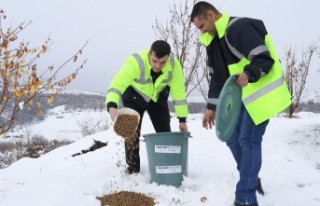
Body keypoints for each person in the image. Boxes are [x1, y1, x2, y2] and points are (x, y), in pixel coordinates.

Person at [190, 2, 291, 206]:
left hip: (260, 96)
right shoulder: (212, 42)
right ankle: (251, 178)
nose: (202, 31)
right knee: (231, 138)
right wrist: (212, 107)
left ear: (210, 14)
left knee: (248, 140)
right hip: (239, 99)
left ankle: (244, 197)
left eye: (201, 26)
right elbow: (217, 78)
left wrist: (249, 73)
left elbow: (264, 59)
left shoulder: (238, 27)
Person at [105, 40, 189, 174]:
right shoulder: (135, 62)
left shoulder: (174, 65)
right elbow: (117, 84)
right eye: (155, 61)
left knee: (164, 132)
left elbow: (179, 93)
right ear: (150, 54)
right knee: (131, 133)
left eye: (162, 62)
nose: (158, 66)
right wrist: (112, 105)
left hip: (157, 97)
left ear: (168, 57)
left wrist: (182, 120)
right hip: (134, 97)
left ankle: (166, 166)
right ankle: (133, 169)